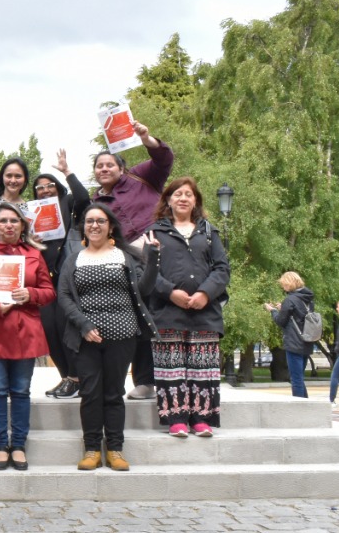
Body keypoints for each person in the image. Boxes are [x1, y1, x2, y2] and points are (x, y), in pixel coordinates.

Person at [57, 203, 158, 472]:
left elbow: (145, 288)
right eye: (89, 221)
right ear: (84, 228)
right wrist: (83, 324)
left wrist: (154, 257)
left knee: (113, 394)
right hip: (85, 337)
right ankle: (91, 449)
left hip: (123, 336)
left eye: (100, 221)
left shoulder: (125, 256)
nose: (94, 225)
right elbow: (64, 296)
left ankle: (115, 448)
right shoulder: (74, 258)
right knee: (90, 393)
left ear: (110, 225)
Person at [91, 118, 174, 402]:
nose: (104, 169)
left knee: (168, 308)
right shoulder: (96, 202)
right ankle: (146, 381)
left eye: (109, 165)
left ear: (121, 168)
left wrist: (147, 138)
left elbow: (164, 159)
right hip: (129, 258)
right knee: (142, 313)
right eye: (99, 166)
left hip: (161, 244)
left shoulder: (141, 176)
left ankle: (177, 373)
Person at [0, 202, 54, 471]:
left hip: (25, 330)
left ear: (22, 225)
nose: (9, 225)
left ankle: (18, 444)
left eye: (14, 221)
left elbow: (48, 291)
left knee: (20, 391)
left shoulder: (34, 254)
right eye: (3, 221)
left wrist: (31, 294)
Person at [145, 178, 230, 438]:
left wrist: (205, 293)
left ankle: (201, 420)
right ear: (168, 200)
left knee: (202, 368)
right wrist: (170, 292)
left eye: (188, 194)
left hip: (204, 313)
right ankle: (176, 420)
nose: (183, 198)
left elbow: (222, 268)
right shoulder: (154, 232)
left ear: (195, 201)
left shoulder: (209, 232)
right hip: (167, 312)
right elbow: (146, 271)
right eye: (177, 194)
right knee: (170, 368)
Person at [32, 151, 92, 398]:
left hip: (69, 276)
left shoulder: (68, 205)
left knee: (66, 326)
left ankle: (77, 378)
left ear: (57, 188)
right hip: (45, 278)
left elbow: (84, 198)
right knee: (49, 328)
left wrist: (67, 173)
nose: (45, 191)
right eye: (39, 188)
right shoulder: (32, 212)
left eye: (49, 186)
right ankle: (66, 377)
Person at [268, 272, 316, 398]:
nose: (283, 287)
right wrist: (282, 308)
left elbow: (281, 321)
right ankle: (306, 404)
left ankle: (299, 407)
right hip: (307, 341)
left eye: (284, 284)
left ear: (289, 284)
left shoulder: (290, 299)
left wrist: (273, 311)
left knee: (296, 379)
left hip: (294, 342)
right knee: (300, 377)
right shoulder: (308, 300)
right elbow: (298, 316)